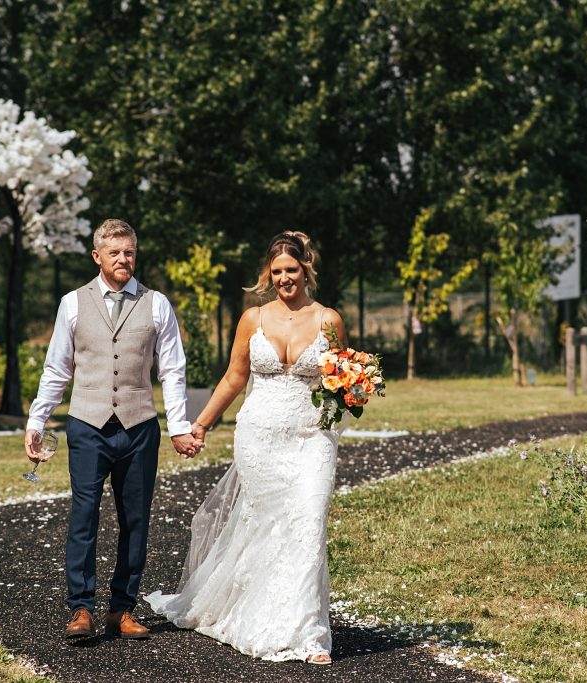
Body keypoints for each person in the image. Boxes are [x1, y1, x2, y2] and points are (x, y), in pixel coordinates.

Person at [145, 231, 346, 665]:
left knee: (308, 524)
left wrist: (357, 389)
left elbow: (340, 381)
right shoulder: (253, 319)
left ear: (306, 269)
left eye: (291, 270)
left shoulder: (329, 319)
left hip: (312, 439)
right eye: (276, 272)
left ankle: (310, 633)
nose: (284, 279)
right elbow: (235, 378)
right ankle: (259, 612)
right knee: (266, 527)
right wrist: (200, 425)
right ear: (267, 274)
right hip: (260, 439)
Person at [25, 218, 203, 640]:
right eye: (115, 252)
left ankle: (122, 609)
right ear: (97, 256)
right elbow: (57, 368)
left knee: (135, 521)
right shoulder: (72, 303)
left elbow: (173, 370)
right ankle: (80, 609)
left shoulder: (156, 303)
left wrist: (178, 425)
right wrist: (37, 419)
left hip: (140, 426)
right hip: (87, 425)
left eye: (129, 252)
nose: (123, 259)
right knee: (84, 516)